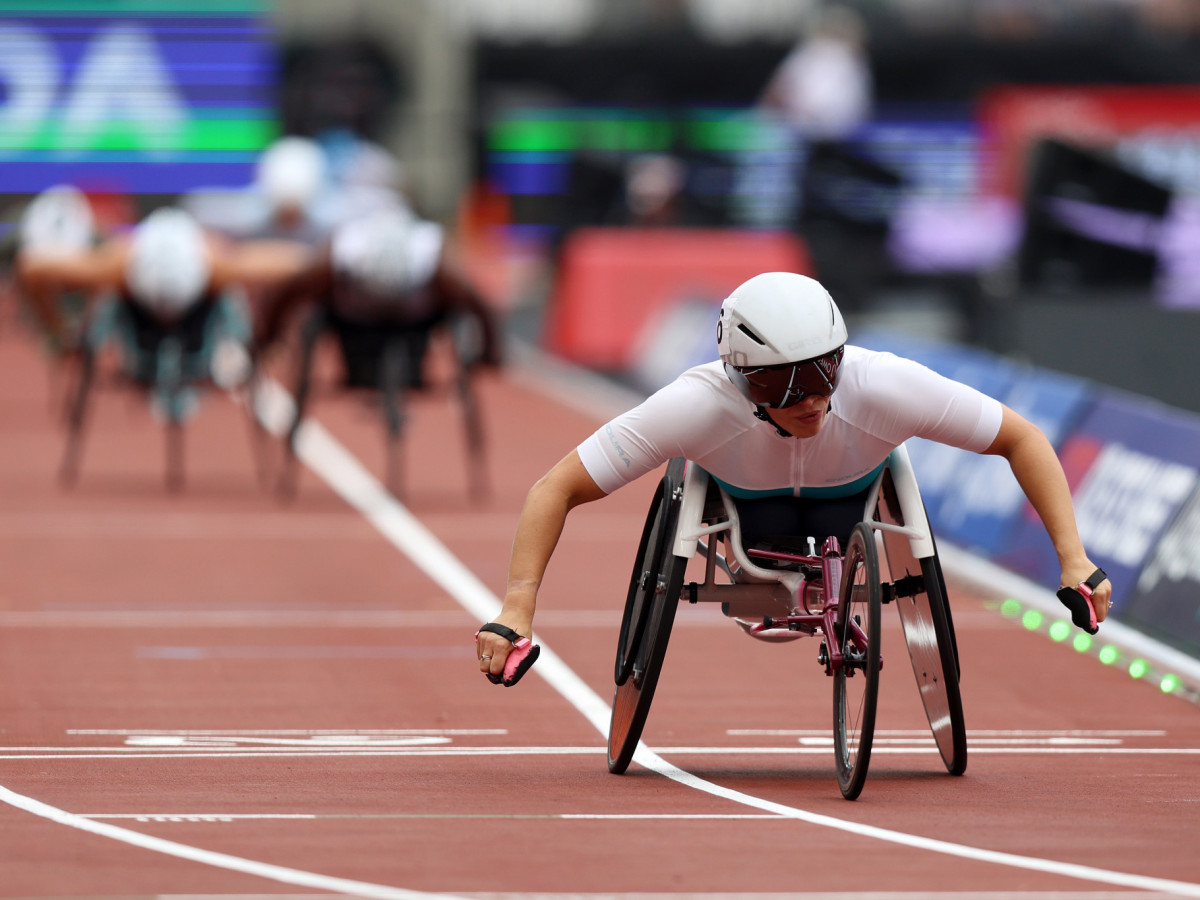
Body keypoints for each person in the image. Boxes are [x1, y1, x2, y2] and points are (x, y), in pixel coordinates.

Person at [475, 271, 1112, 683]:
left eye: (823, 374)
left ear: (842, 357)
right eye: (782, 382)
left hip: (849, 501)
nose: (810, 398)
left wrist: (1074, 560)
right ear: (740, 378)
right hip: (752, 519)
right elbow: (554, 488)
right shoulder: (695, 405)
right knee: (758, 529)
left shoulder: (885, 385)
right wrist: (516, 609)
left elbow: (1022, 437)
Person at [252, 203, 503, 377]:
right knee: (319, 292)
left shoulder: (431, 255)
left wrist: (489, 351)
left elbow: (475, 302)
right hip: (357, 316)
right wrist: (270, 335)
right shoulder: (345, 250)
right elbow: (293, 288)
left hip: (412, 317)